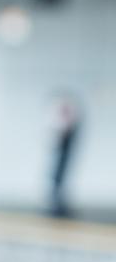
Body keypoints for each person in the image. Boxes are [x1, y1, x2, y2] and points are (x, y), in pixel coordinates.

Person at [49, 90, 85, 219]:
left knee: (59, 177)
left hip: (63, 147)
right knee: (56, 177)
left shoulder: (67, 118)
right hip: (61, 147)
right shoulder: (62, 117)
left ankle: (57, 204)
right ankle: (55, 205)